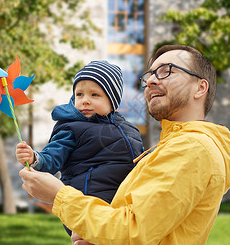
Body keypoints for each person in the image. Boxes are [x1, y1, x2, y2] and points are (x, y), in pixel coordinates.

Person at [19, 45, 230, 244]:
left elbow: (133, 232)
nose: (152, 80)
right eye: (150, 75)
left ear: (200, 88)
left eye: (167, 71)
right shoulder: (172, 146)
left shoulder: (190, 148)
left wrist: (59, 196)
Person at [15, 60, 144, 234]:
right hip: (86, 204)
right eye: (79, 94)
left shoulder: (130, 129)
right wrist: (35, 158)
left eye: (94, 95)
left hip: (125, 206)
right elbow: (52, 157)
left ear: (113, 101)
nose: (85, 101)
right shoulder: (72, 128)